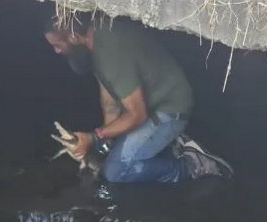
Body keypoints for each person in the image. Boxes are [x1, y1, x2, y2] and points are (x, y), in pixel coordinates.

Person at [43, 13, 233, 183]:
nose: (57, 51)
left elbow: (137, 115)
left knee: (115, 172)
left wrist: (93, 138)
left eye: (58, 45)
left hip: (170, 108)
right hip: (149, 103)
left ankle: (192, 165)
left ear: (73, 36)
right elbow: (109, 101)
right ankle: (172, 143)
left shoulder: (111, 54)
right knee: (111, 152)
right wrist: (106, 140)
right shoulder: (96, 41)